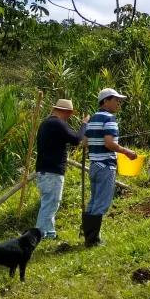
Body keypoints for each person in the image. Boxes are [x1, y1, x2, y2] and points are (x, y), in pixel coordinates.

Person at [82, 88, 137, 247]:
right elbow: (109, 143)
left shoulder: (92, 120)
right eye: (115, 99)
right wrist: (126, 152)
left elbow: (85, 143)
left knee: (93, 201)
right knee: (102, 202)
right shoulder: (109, 119)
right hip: (106, 165)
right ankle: (93, 240)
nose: (118, 103)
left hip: (94, 165)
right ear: (105, 101)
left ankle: (89, 236)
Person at [34, 99, 90, 240]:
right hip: (52, 170)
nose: (70, 117)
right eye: (70, 113)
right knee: (50, 203)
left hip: (45, 169)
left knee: (50, 202)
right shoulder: (57, 123)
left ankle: (50, 233)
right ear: (66, 112)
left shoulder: (46, 123)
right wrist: (84, 125)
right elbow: (76, 139)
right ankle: (38, 235)